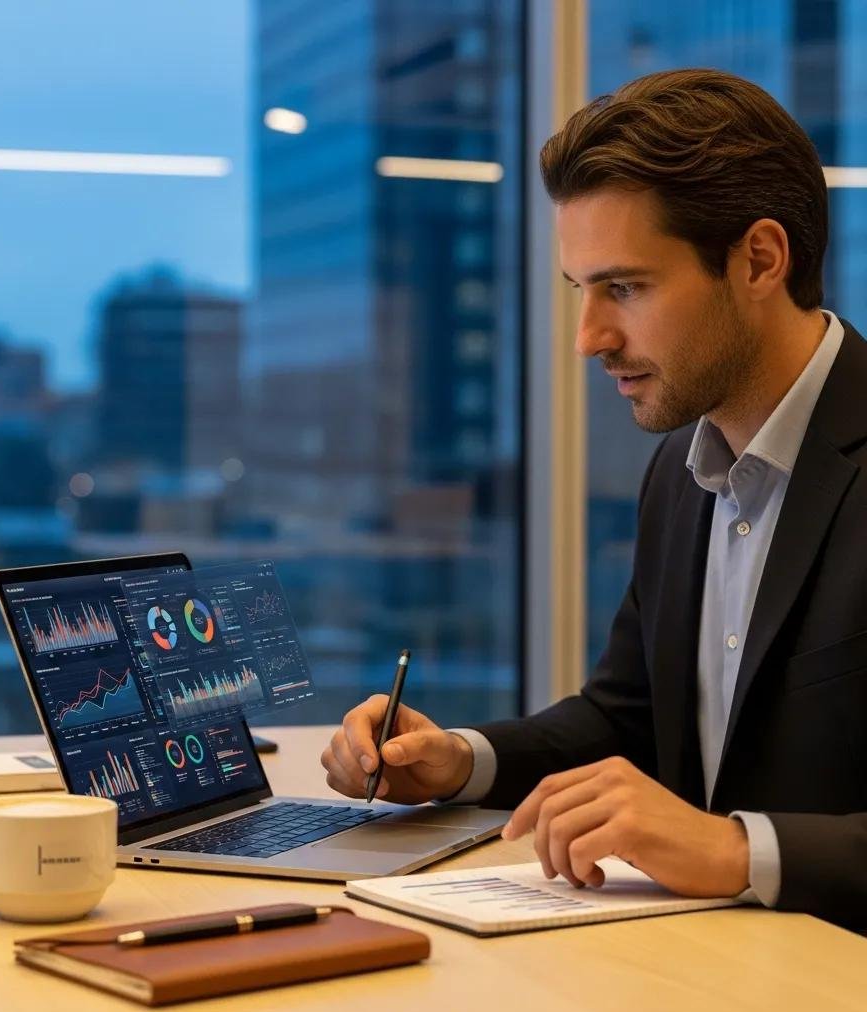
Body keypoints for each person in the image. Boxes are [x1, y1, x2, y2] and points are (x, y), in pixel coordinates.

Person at [321, 68, 867, 929]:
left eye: (627, 288)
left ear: (759, 259)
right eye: (583, 291)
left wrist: (733, 851)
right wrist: (459, 761)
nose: (590, 339)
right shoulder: (683, 467)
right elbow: (630, 719)